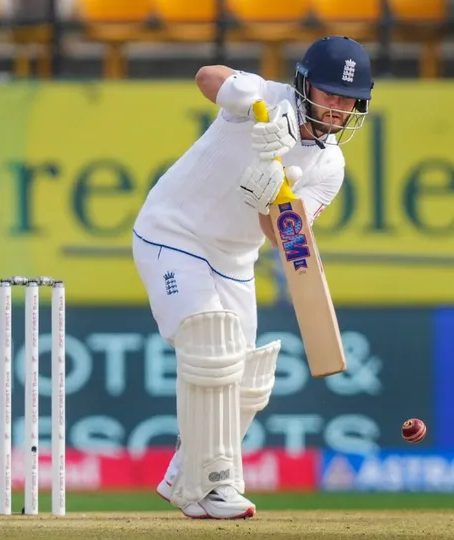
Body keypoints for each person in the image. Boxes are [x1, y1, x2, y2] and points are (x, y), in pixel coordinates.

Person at [131, 36, 374, 519]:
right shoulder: (268, 98)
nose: (337, 108)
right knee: (209, 343)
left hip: (236, 259)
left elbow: (286, 237)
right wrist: (255, 103)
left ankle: (188, 473)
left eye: (347, 100)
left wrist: (273, 197)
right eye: (328, 94)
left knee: (248, 379)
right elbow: (207, 77)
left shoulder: (330, 166)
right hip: (173, 232)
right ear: (304, 85)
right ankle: (217, 485)